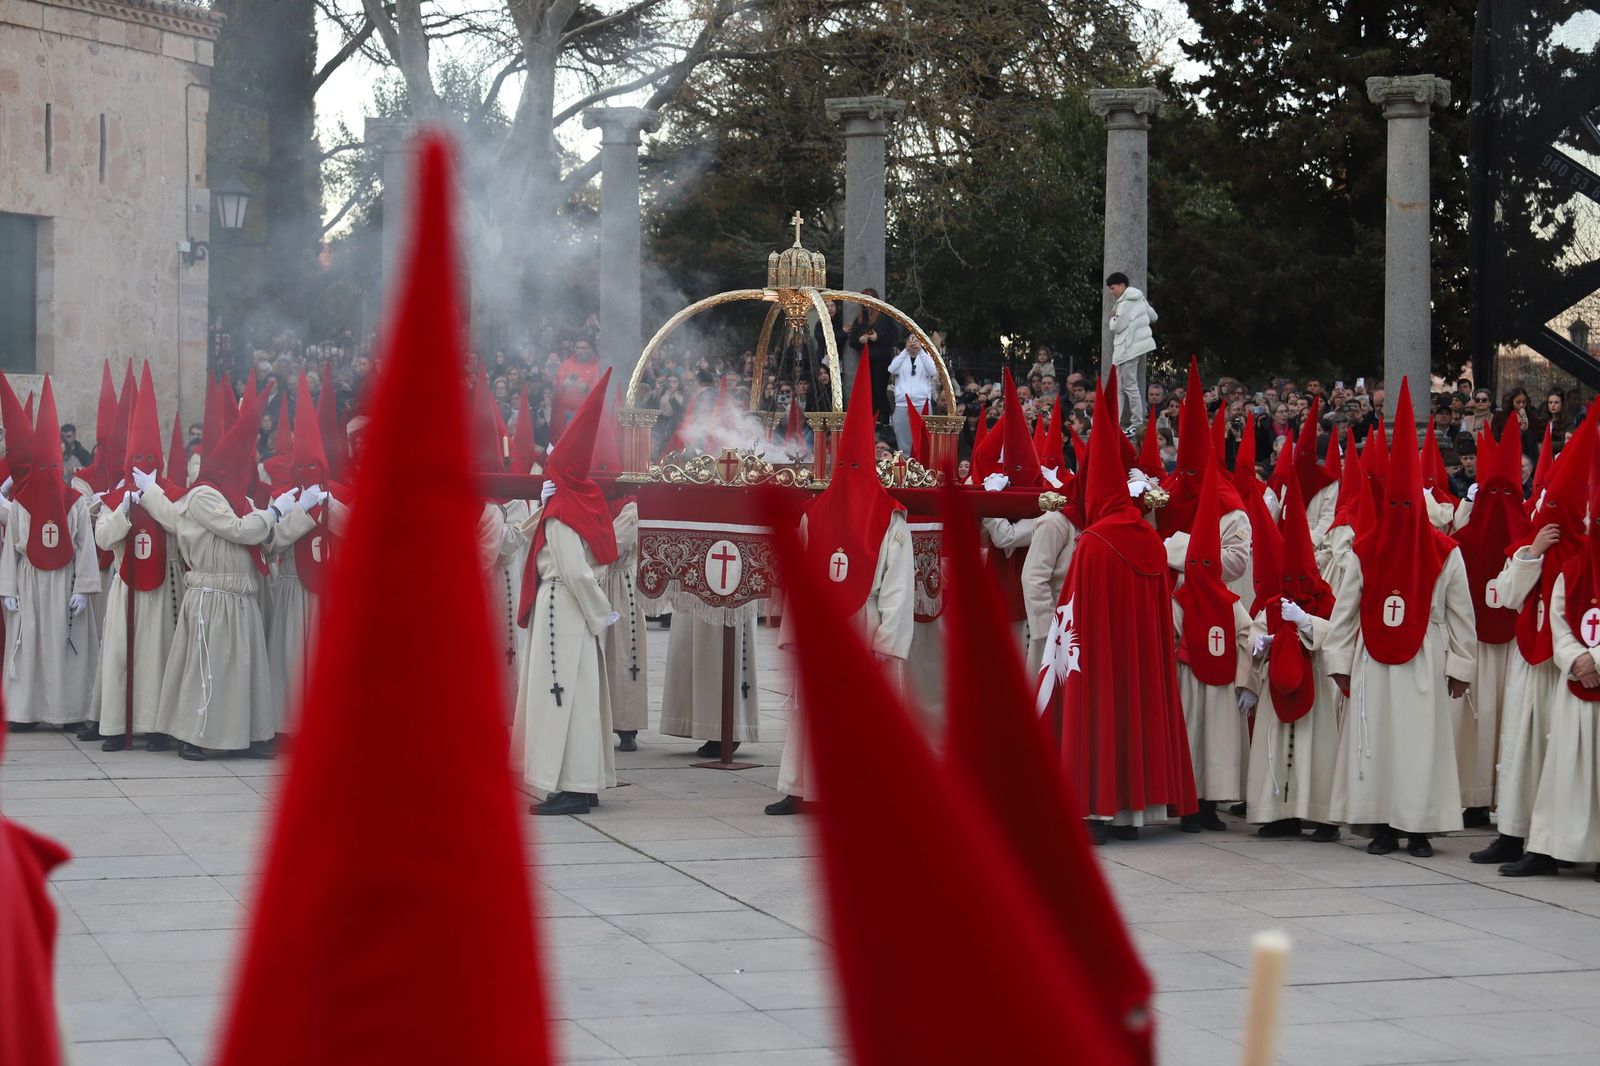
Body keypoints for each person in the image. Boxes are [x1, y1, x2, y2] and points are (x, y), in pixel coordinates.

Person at [1036, 371, 1196, 843]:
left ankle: (1097, 809)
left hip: (1100, 660)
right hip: (1141, 659)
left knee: (1102, 710)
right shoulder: (1149, 538)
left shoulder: (1094, 542)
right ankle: (1132, 811)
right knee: (1138, 706)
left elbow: (1072, 619)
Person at [1325, 380, 1476, 857]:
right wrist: (1340, 662)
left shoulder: (1445, 552)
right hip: (1374, 658)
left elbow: (1461, 615)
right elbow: (1345, 610)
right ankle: (1383, 824)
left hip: (1425, 658)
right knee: (1380, 740)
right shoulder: (1365, 551)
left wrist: (1460, 669)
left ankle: (1419, 827)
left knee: (1420, 744)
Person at [769, 361, 914, 814]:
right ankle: (802, 787)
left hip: (857, 625)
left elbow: (896, 586)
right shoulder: (825, 512)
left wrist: (888, 641)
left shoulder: (886, 516)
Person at [144, 373, 299, 761]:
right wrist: (276, 510)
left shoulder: (241, 497)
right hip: (212, 593)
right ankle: (195, 734)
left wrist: (295, 514)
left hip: (240, 594)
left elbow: (262, 538)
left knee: (244, 669)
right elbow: (239, 531)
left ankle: (250, 734)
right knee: (207, 667)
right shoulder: (205, 496)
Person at [1471, 410, 1594, 870]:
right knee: (1519, 748)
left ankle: (1548, 844)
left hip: (1561, 666)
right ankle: (1512, 832)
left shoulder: (1585, 557)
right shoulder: (1529, 549)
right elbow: (1506, 596)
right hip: (1528, 656)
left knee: (1554, 751)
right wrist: (1534, 552)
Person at [511, 370, 620, 816]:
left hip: (562, 606)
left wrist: (600, 612)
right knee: (582, 693)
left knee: (562, 694)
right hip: (576, 609)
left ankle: (571, 785)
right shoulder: (581, 499)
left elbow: (572, 569)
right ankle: (584, 779)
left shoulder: (560, 511)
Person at [84, 367, 183, 751]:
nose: (141, 464)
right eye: (136, 458)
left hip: (163, 587)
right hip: (125, 585)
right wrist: (124, 508)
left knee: (158, 655)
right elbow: (104, 539)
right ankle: (113, 724)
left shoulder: (172, 492)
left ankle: (156, 726)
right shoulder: (117, 496)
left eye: (149, 458)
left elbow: (180, 526)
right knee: (119, 656)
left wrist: (154, 494)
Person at [1, 380, 102, 732]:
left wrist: (83, 588)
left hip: (65, 580)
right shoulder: (20, 505)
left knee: (64, 647)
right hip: (29, 580)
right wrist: (8, 591)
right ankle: (24, 712)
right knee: (29, 643)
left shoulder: (73, 502)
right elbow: (10, 549)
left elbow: (85, 545)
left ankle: (68, 711)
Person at [1171, 462, 1252, 832]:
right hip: (1187, 677)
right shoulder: (1178, 598)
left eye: (1209, 561)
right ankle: (1189, 804)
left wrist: (1246, 679)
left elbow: (1247, 634)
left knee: (1215, 742)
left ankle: (1209, 804)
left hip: (1218, 681)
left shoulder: (1229, 600)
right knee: (1191, 739)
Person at [263, 375, 339, 732]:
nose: (309, 475)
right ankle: (288, 727)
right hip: (293, 586)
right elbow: (272, 539)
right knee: (291, 659)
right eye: (303, 468)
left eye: (315, 468)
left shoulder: (337, 496)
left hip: (329, 591)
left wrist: (329, 507)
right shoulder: (283, 498)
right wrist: (301, 511)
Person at [1106, 272, 1157, 431]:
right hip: (1135, 348)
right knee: (1122, 387)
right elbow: (1153, 316)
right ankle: (1118, 420)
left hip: (1127, 348)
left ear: (1122, 285)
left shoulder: (1124, 303)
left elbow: (1116, 326)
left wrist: (1113, 318)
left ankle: (1136, 422)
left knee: (1128, 386)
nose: (1111, 292)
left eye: (1113, 288)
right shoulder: (1139, 298)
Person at [845, 289, 901, 426]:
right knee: (867, 393)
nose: (867, 302)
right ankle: (872, 421)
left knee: (879, 391)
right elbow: (852, 341)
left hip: (882, 360)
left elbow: (895, 336)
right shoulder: (860, 318)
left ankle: (885, 421)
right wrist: (860, 340)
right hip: (866, 361)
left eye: (869, 298)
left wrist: (878, 337)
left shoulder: (885, 315)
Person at [887, 333, 939, 456]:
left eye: (916, 340)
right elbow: (892, 369)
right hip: (902, 403)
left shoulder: (925, 358)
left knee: (922, 438)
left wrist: (921, 351)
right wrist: (906, 351)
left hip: (922, 403)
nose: (913, 342)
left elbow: (932, 370)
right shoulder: (900, 358)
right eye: (910, 340)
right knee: (903, 438)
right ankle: (905, 462)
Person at [548, 337, 602, 444]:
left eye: (584, 348)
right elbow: (556, 384)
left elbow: (598, 389)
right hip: (564, 412)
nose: (580, 351)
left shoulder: (597, 366)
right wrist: (565, 384)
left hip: (585, 414)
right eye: (578, 348)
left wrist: (585, 387)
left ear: (591, 349)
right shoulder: (566, 364)